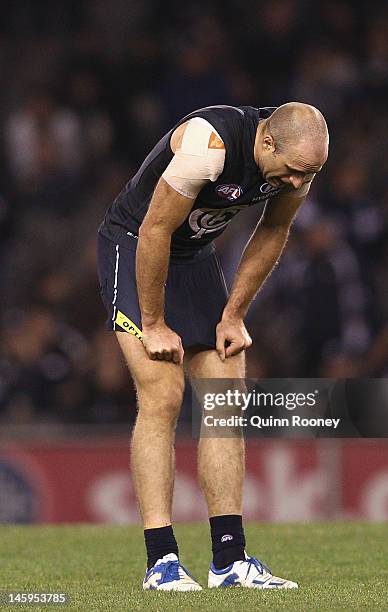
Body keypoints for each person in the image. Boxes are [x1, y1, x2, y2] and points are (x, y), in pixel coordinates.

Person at [97, 102, 329, 590]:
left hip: (196, 260)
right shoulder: (210, 145)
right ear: (267, 144)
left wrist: (234, 315)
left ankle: (230, 559)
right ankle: (161, 561)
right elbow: (155, 229)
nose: (295, 183)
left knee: (226, 400)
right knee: (162, 396)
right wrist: (154, 324)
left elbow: (274, 229)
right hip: (135, 247)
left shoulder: (298, 161)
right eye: (291, 172)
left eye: (306, 175)